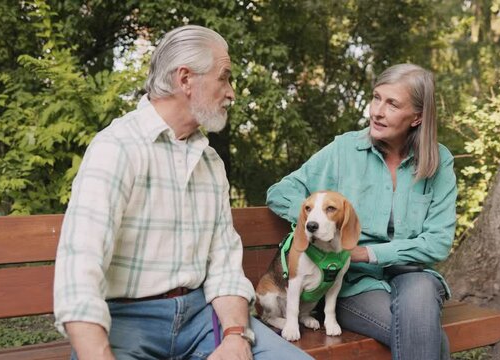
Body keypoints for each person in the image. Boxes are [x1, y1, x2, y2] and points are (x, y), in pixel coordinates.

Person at [53, 25, 313, 360]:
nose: (232, 92)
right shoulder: (116, 148)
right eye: (224, 78)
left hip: (202, 318)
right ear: (186, 79)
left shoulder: (210, 161)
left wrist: (236, 336)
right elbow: (79, 269)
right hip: (125, 322)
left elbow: (224, 267)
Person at [266, 63, 457, 359]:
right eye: (376, 98)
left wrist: (366, 252)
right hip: (353, 281)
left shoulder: (439, 161)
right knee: (425, 334)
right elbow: (280, 193)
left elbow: (438, 242)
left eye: (392, 103)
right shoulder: (344, 150)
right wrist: (317, 223)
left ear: (417, 117)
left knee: (420, 297)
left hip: (412, 273)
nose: (377, 111)